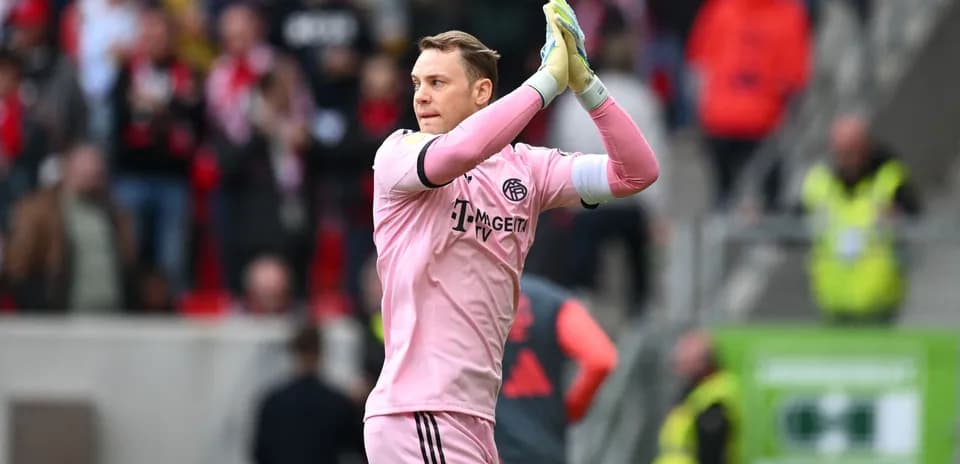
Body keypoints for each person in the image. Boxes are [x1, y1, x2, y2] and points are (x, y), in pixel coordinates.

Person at [362, 0, 659, 462]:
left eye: (437, 83)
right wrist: (545, 82)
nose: (420, 96)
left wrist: (584, 84)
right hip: (419, 412)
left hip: (473, 419)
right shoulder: (399, 154)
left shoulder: (527, 169)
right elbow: (459, 153)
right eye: (417, 83)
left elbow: (637, 172)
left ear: (482, 92)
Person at [800, 114, 921, 324]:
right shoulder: (819, 181)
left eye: (852, 149)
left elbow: (916, 216)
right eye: (841, 150)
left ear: (865, 146)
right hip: (832, 298)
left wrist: (897, 215)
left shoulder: (890, 178)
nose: (846, 157)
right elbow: (789, 220)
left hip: (879, 299)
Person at [495, 274, 617, 464]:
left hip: (490, 449)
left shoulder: (476, 301)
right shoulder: (554, 302)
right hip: (547, 448)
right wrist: (571, 411)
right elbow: (600, 359)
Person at [4, 143, 137, 312]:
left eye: (98, 168)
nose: (94, 172)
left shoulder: (114, 211)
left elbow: (128, 261)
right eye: (87, 167)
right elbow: (18, 264)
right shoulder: (40, 210)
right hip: (64, 315)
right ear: (67, 168)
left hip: (113, 313)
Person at [252, 324, 364, 464]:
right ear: (320, 352)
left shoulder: (273, 402)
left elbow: (259, 453)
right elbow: (358, 447)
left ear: (295, 352)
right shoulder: (338, 403)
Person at [654, 330, 741, 464]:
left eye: (686, 358)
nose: (679, 363)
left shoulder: (714, 398)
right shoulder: (695, 392)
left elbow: (712, 453)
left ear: (702, 361)